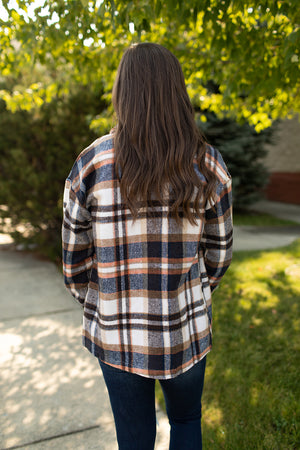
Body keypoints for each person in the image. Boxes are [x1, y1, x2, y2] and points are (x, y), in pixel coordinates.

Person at [62, 42, 233, 450]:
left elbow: (74, 263)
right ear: (178, 93)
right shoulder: (208, 164)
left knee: (134, 438)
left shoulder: (91, 164)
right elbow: (219, 256)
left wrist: (106, 301)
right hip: (186, 327)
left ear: (123, 92)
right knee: (187, 420)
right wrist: (193, 293)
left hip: (118, 332)